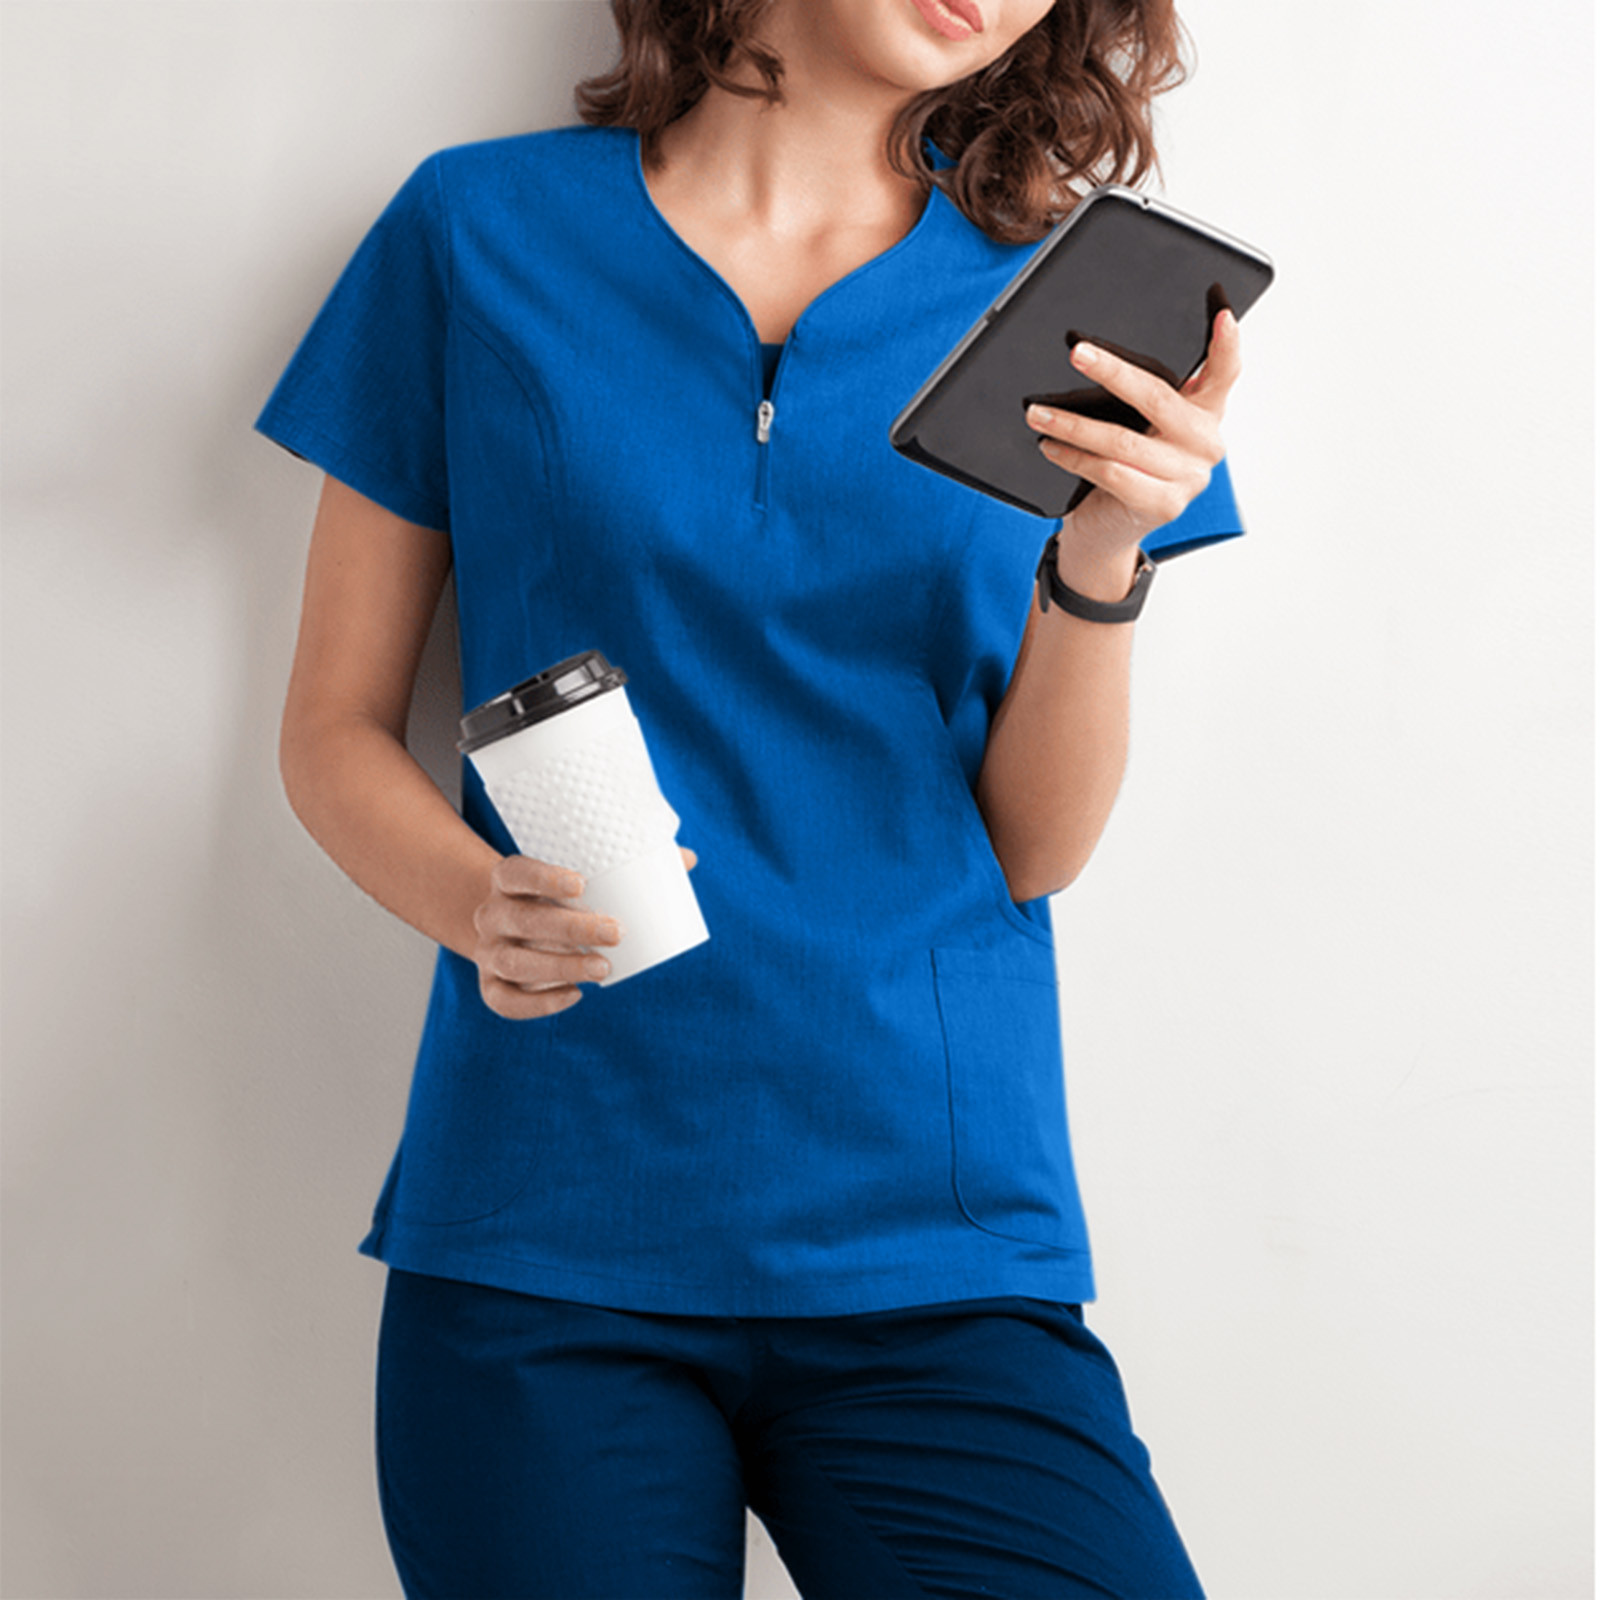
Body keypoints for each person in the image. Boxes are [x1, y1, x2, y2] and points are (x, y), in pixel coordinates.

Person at [257, 0, 1245, 1594]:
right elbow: (333, 726)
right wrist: (473, 903)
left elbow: (1034, 847)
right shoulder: (479, 230)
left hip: (934, 1230)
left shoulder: (1059, 301)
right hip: (549, 1223)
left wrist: (1105, 555)